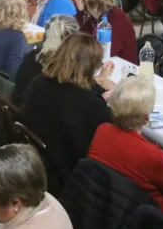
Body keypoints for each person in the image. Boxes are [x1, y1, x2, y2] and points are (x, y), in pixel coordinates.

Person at [18, 33, 113, 192]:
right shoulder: (90, 105)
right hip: (67, 175)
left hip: (33, 162)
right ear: (91, 68)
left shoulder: (38, 82)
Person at [88, 76, 163, 214]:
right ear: (147, 117)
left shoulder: (102, 131)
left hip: (105, 209)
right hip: (147, 221)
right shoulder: (152, 156)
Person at [73, 0, 138, 63]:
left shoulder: (117, 19)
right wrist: (80, 12)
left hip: (122, 66)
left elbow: (109, 53)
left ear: (95, 7)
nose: (86, 9)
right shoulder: (99, 17)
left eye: (87, 6)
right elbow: (83, 36)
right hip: (109, 61)